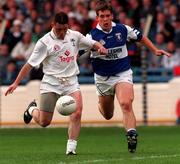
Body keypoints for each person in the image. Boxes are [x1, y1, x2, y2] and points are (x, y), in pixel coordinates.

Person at [5, 12, 107, 155]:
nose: (62, 32)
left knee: (77, 112)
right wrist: (16, 83)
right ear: (52, 25)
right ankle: (31, 110)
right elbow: (29, 64)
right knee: (44, 122)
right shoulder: (44, 42)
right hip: (51, 83)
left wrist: (100, 47)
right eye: (59, 29)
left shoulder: (74, 36)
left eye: (65, 29)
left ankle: (71, 149)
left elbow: (91, 43)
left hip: (71, 81)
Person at [84, 1, 171, 153]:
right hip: (103, 79)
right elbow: (75, 51)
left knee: (126, 103)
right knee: (107, 114)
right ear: (97, 18)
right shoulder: (91, 36)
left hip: (122, 73)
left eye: (108, 16)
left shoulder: (122, 29)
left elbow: (141, 37)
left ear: (112, 16)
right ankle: (101, 103)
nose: (105, 19)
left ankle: (131, 133)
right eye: (102, 16)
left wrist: (155, 49)